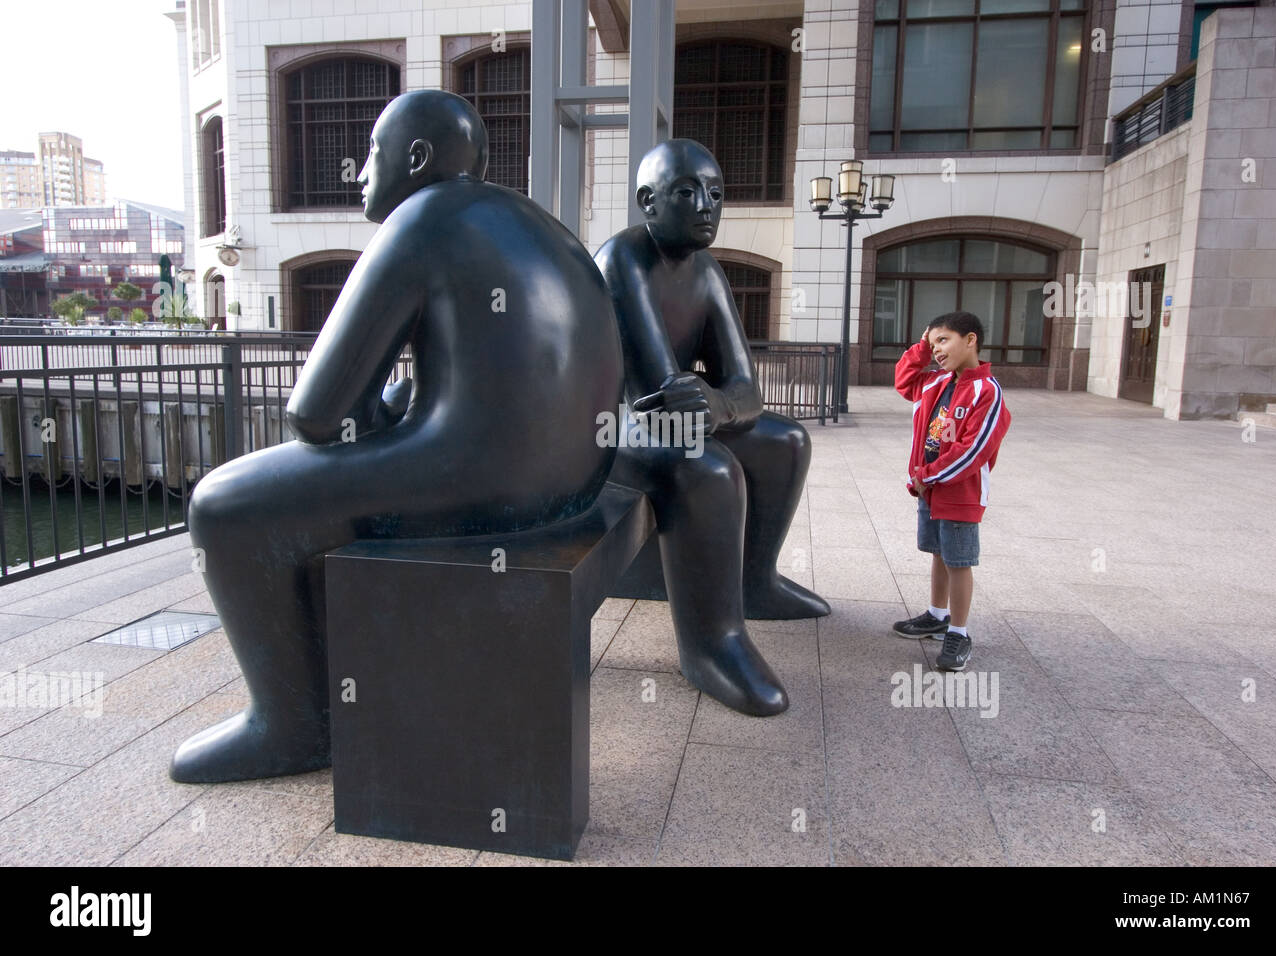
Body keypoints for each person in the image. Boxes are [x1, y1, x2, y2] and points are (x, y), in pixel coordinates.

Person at [170, 90, 623, 783]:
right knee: (323, 480)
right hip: (574, 479)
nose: (358, 173)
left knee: (224, 505)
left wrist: (379, 412)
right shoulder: (535, 220)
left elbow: (317, 414)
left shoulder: (420, 220)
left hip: (485, 478)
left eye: (372, 154)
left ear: (416, 158)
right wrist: (403, 402)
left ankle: (291, 727)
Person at [594, 139, 829, 717]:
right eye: (686, 192)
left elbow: (746, 389)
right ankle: (710, 644)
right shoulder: (623, 260)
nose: (706, 205)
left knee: (784, 440)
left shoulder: (707, 272)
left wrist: (719, 405)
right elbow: (657, 399)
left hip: (661, 419)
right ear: (647, 201)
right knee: (707, 467)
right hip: (604, 426)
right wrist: (714, 402)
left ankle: (753, 582)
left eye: (716, 193)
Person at [892, 311, 1011, 671]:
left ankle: (958, 632)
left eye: (943, 341)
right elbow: (904, 379)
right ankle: (936, 614)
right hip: (930, 489)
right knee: (939, 554)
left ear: (970, 339)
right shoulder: (935, 383)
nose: (937, 350)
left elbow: (973, 451)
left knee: (959, 562)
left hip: (958, 493)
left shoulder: (987, 392)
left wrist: (925, 475)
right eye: (933, 344)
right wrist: (921, 346)